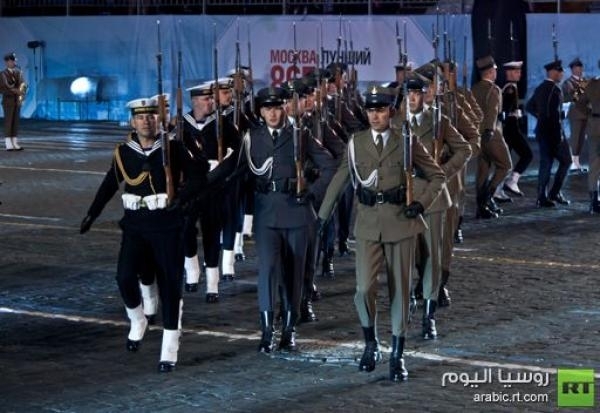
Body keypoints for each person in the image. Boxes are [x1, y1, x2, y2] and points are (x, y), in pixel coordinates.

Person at [318, 85, 445, 382]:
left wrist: (421, 203)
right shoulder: (356, 143)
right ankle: (371, 343)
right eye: (370, 111)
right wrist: (322, 216)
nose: (375, 116)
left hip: (400, 223)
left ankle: (398, 354)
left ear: (391, 111)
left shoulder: (406, 141)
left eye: (380, 110)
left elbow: (437, 176)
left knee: (400, 290)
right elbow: (341, 178)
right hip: (367, 224)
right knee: (363, 288)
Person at [80, 96, 210, 372]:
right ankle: (137, 319)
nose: (146, 122)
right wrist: (92, 213)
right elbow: (110, 183)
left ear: (158, 119)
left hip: (167, 224)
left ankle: (169, 348)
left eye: (151, 116)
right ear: (132, 122)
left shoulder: (174, 148)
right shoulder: (124, 152)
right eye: (140, 117)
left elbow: (199, 177)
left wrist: (182, 198)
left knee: (170, 284)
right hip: (135, 224)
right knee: (125, 276)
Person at [236, 86, 337, 353]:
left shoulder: (300, 135)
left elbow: (330, 165)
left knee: (294, 275)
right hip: (267, 214)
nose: (272, 113)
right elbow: (234, 171)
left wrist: (312, 192)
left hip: (297, 213)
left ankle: (289, 330)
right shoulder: (252, 138)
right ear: (260, 112)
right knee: (268, 270)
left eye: (277, 108)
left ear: (284, 109)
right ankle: (267, 331)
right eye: (267, 108)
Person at [181, 81, 240, 302]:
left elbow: (238, 153)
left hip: (215, 187)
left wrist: (220, 170)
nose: (211, 102)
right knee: (186, 229)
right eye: (206, 99)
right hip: (190, 189)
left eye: (212, 98)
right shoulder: (181, 126)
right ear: (195, 102)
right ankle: (192, 270)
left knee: (212, 233)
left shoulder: (223, 124)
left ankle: (212, 284)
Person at [526, 59, 572, 208]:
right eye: (560, 71)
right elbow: (554, 115)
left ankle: (541, 197)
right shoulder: (555, 90)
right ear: (552, 72)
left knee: (545, 164)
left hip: (542, 132)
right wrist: (559, 135)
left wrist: (540, 116)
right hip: (554, 133)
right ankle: (554, 193)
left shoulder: (540, 88)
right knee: (567, 161)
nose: (562, 74)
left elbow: (529, 106)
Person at [471, 55, 512, 218]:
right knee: (505, 165)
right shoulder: (493, 90)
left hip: (477, 134)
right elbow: (492, 111)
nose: (496, 73)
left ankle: (481, 207)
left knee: (483, 170)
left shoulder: (474, 89)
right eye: (494, 70)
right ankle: (486, 198)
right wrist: (489, 129)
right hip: (492, 134)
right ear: (490, 72)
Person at [500, 61, 533, 197]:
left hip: (509, 128)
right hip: (511, 129)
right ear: (509, 73)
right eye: (516, 72)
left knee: (505, 161)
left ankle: (498, 190)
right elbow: (505, 110)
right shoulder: (510, 88)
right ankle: (512, 181)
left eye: (519, 71)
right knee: (527, 154)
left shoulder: (510, 87)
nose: (519, 74)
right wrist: (515, 113)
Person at [562, 57, 590, 173]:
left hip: (586, 113)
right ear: (572, 69)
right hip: (575, 114)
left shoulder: (585, 81)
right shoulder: (567, 83)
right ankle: (573, 162)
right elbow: (570, 98)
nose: (579, 70)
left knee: (582, 138)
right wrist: (582, 86)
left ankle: (577, 162)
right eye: (577, 68)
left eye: (580, 67)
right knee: (575, 138)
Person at [579, 75, 600, 213]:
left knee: (594, 164)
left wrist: (591, 113)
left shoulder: (592, 84)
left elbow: (579, 103)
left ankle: (594, 201)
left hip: (595, 125)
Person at [0, 52, 26, 151]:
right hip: (8, 101)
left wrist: (22, 93)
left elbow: (23, 85)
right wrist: (17, 91)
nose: (14, 63)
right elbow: (5, 87)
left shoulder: (18, 72)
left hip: (17, 101)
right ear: (7, 62)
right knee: (9, 121)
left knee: (15, 122)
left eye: (14, 61)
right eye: (12, 61)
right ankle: (8, 143)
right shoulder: (3, 74)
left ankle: (15, 142)